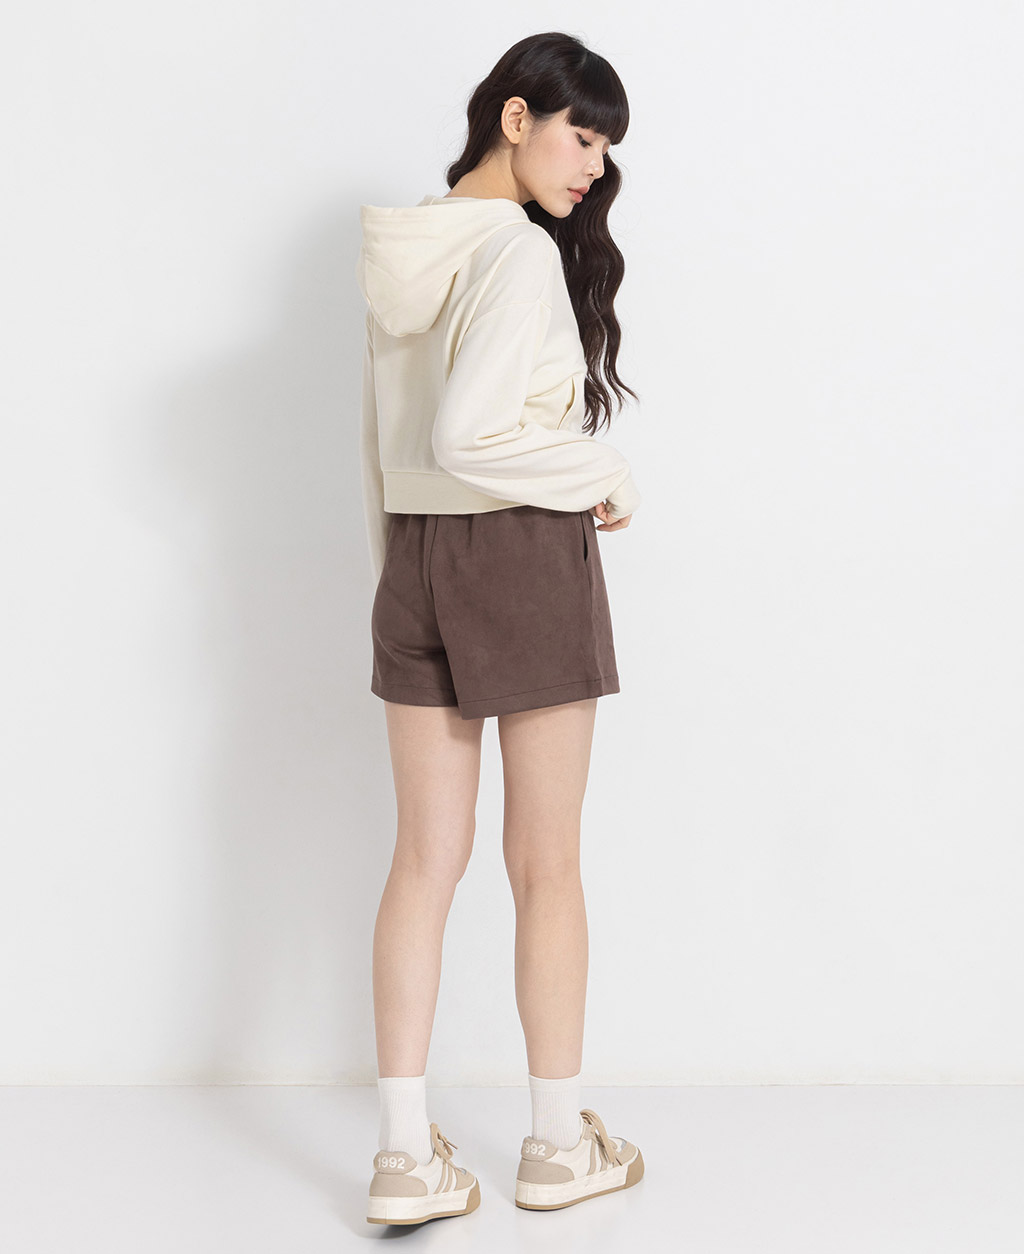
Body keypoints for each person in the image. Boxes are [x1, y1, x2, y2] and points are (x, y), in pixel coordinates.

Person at [357, 32, 646, 1225]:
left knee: (423, 862)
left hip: (417, 558)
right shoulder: (517, 254)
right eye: (582, 135)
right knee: (546, 864)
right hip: (521, 553)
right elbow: (472, 436)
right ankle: (555, 1146)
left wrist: (399, 576)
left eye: (606, 149)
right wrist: (601, 471)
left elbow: (390, 444)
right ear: (515, 117)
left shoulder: (406, 247)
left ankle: (402, 1157)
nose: (593, 166)